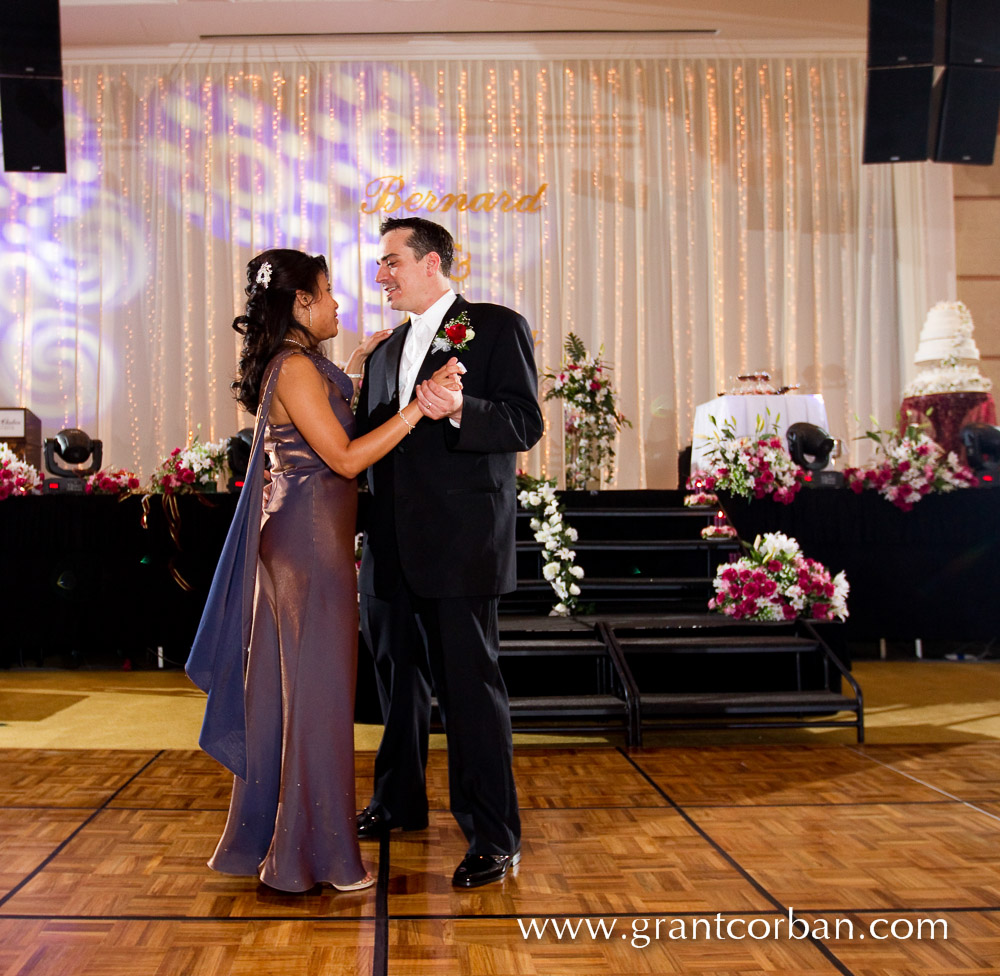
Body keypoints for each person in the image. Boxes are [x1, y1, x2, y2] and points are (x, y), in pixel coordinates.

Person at [185, 247, 462, 893]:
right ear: (301, 304)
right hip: (307, 546)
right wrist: (417, 409)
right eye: (329, 291)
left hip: (309, 540)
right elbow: (341, 458)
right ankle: (314, 855)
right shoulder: (294, 369)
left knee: (306, 694)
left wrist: (357, 368)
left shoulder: (303, 364)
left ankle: (291, 841)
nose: (339, 302)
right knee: (317, 696)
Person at [355, 217, 544, 888]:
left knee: (470, 695)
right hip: (388, 553)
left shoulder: (488, 326)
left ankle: (494, 834)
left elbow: (525, 422)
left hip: (460, 550)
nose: (380, 274)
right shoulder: (381, 354)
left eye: (390, 262)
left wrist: (462, 409)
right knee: (396, 687)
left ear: (431, 261)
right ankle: (396, 802)